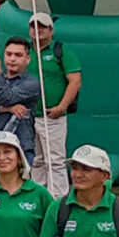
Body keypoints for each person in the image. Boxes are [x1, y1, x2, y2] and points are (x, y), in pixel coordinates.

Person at [24, 12, 81, 197]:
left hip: (51, 115)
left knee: (55, 160)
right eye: (34, 26)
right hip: (29, 115)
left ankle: (58, 198)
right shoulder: (26, 52)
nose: (37, 30)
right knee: (37, 159)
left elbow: (75, 81)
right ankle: (38, 195)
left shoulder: (61, 51)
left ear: (51, 30)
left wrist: (61, 107)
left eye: (42, 26)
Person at [0, 37, 40, 160]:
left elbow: (5, 98)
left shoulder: (32, 83)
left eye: (18, 55)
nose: (12, 59)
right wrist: (8, 109)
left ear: (28, 59)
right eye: (9, 54)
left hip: (19, 148)